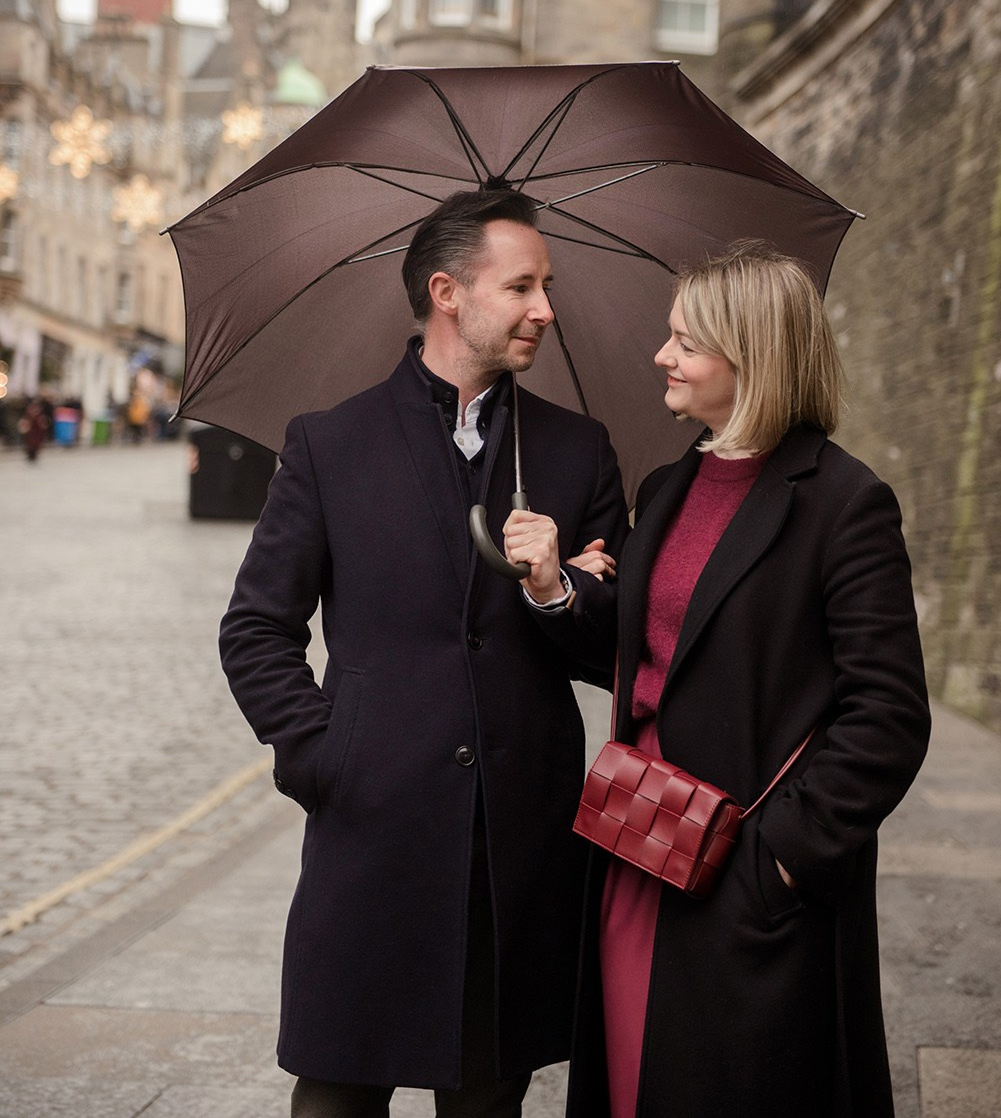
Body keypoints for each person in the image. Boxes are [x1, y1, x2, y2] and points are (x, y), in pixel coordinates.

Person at [219, 186, 628, 1118]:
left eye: (547, 285)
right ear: (447, 291)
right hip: (369, 830)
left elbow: (613, 646)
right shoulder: (330, 444)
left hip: (516, 841)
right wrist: (323, 753)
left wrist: (553, 585)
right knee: (336, 1095)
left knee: (488, 1098)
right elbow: (254, 629)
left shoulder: (576, 450)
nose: (545, 310)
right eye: (520, 286)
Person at [513, 242, 930, 1118]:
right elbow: (645, 661)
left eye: (685, 343)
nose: (662, 357)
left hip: (744, 866)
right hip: (639, 843)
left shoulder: (843, 503)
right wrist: (561, 589)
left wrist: (779, 860)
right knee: (632, 1080)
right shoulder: (666, 487)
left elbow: (886, 716)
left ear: (753, 358)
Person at [18, 397, 50, 462]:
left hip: (36, 432)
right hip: (31, 433)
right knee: (30, 443)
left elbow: (43, 423)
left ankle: (33, 455)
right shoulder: (28, 416)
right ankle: (31, 455)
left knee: (35, 443)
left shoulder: (39, 416)